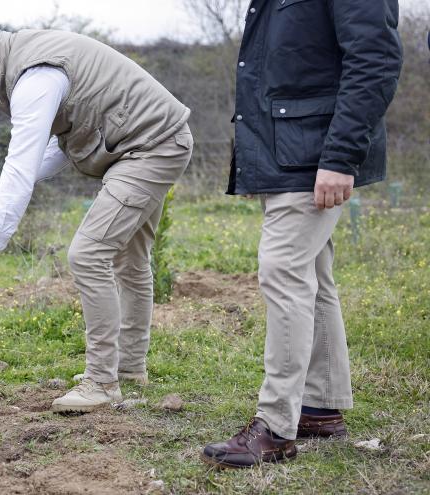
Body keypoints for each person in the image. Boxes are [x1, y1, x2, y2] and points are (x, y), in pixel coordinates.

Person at [0, 16, 193, 412]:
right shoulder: (29, 62)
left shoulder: (35, 75)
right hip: (144, 142)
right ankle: (128, 368)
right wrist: (8, 193)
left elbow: (22, 166)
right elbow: (45, 154)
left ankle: (102, 383)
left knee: (88, 254)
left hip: (151, 146)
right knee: (131, 258)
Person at [201, 1, 402, 468]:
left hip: (318, 150)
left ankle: (274, 426)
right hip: (290, 150)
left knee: (283, 270)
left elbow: (375, 59)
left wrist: (340, 156)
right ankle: (319, 406)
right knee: (312, 273)